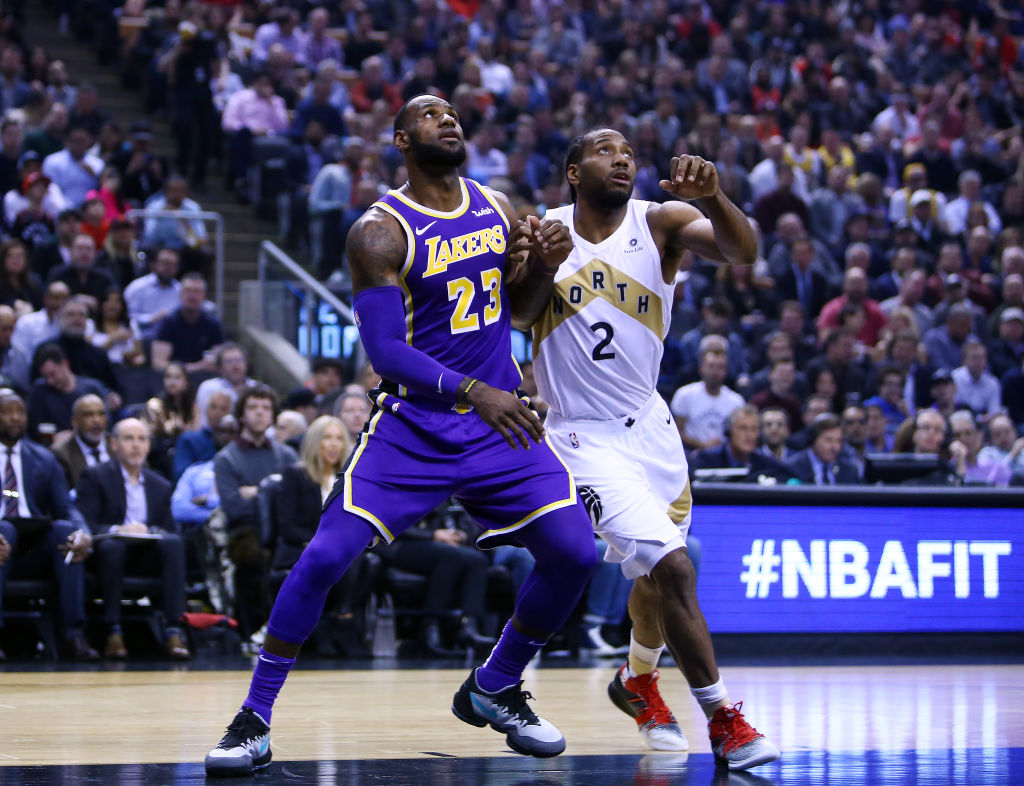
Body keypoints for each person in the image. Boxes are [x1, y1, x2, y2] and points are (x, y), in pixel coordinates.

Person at [206, 95, 597, 775]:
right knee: (325, 558)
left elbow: (520, 312)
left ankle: (497, 684)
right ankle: (254, 719)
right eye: (427, 114)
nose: (446, 119)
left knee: (575, 554)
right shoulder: (379, 233)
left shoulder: (499, 207)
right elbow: (385, 352)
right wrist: (475, 389)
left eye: (451, 112)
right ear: (399, 140)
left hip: (495, 422)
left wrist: (545, 266)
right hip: (414, 427)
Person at [526, 128, 777, 769]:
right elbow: (520, 316)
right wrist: (541, 267)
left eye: (629, 154)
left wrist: (716, 197)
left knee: (653, 574)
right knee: (673, 565)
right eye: (605, 151)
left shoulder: (660, 222)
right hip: (581, 435)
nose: (622, 159)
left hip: (651, 426)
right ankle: (724, 719)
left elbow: (742, 251)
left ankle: (638, 678)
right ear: (574, 171)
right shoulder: (546, 231)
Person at [75, 418, 190, 660]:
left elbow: (168, 529)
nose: (136, 445)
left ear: (148, 445)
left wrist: (150, 531)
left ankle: (173, 629)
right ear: (114, 444)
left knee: (174, 543)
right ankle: (112, 630)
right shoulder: (95, 476)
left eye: (141, 439)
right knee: (112, 546)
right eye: (129, 439)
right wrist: (120, 528)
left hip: (146, 555)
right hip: (107, 556)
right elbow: (86, 524)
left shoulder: (160, 484)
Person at [0, 389, 97, 662]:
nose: (15, 417)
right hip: (2, 541)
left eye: (20, 411)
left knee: (67, 533)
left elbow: (65, 507)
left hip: (34, 545)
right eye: (7, 411)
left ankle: (73, 636)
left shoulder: (43, 458)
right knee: (4, 529)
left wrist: (83, 533)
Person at [272, 416, 375, 657]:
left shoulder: (350, 479)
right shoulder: (295, 475)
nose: (333, 445)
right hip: (300, 546)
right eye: (327, 438)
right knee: (340, 557)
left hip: (340, 550)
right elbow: (287, 526)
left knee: (370, 561)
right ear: (314, 442)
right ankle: (333, 628)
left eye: (338, 438)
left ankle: (342, 620)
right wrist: (321, 542)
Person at [670, 339, 746, 452]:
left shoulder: (736, 401)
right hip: (691, 453)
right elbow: (676, 432)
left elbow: (740, 434)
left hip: (725, 456)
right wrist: (703, 445)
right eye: (711, 366)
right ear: (701, 369)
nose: (715, 371)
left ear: (726, 371)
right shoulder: (684, 394)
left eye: (720, 367)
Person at [171, 413, 237, 530]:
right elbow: (178, 509)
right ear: (213, 436)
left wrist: (208, 500)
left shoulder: (246, 470)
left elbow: (240, 507)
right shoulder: (194, 471)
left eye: (231, 432)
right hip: (199, 534)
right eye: (221, 431)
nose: (225, 437)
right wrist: (213, 516)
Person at [691, 405, 792, 482]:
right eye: (743, 428)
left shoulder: (767, 465)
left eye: (754, 429)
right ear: (729, 431)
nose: (749, 435)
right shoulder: (705, 460)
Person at [151, 273, 224, 373]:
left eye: (197, 291)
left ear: (204, 296)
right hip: (174, 379)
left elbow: (219, 361)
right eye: (188, 290)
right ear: (180, 295)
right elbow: (158, 363)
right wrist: (196, 367)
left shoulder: (213, 323)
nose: (192, 295)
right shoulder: (168, 322)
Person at [50, 393, 111, 488]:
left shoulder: (117, 446)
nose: (96, 420)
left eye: (101, 414)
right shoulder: (61, 454)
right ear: (74, 421)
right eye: (88, 415)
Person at [784, 413, 861, 485]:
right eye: (828, 440)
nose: (835, 447)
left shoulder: (849, 470)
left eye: (839, 441)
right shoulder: (792, 468)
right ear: (813, 439)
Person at [172, 391, 232, 481]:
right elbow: (181, 473)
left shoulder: (236, 441)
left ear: (230, 412)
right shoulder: (188, 439)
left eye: (223, 408)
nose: (218, 413)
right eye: (213, 407)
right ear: (206, 410)